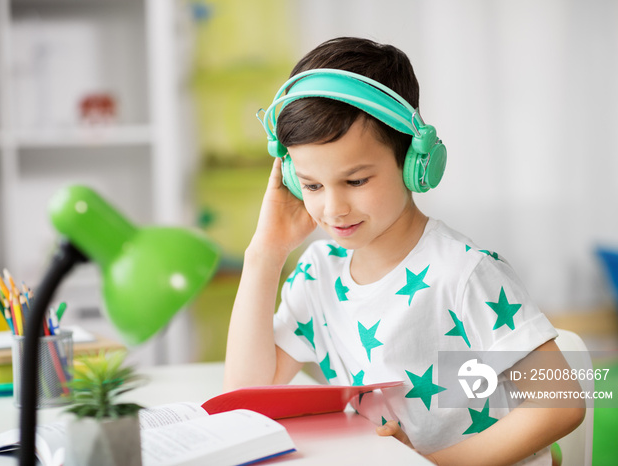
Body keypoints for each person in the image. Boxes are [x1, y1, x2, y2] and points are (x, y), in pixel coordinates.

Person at [224, 37, 584, 465]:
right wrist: (265, 252)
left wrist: (428, 464)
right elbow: (247, 395)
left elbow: (562, 403)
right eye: (313, 185)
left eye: (356, 181)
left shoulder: (464, 273)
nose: (332, 209)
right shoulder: (317, 275)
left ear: (416, 164)